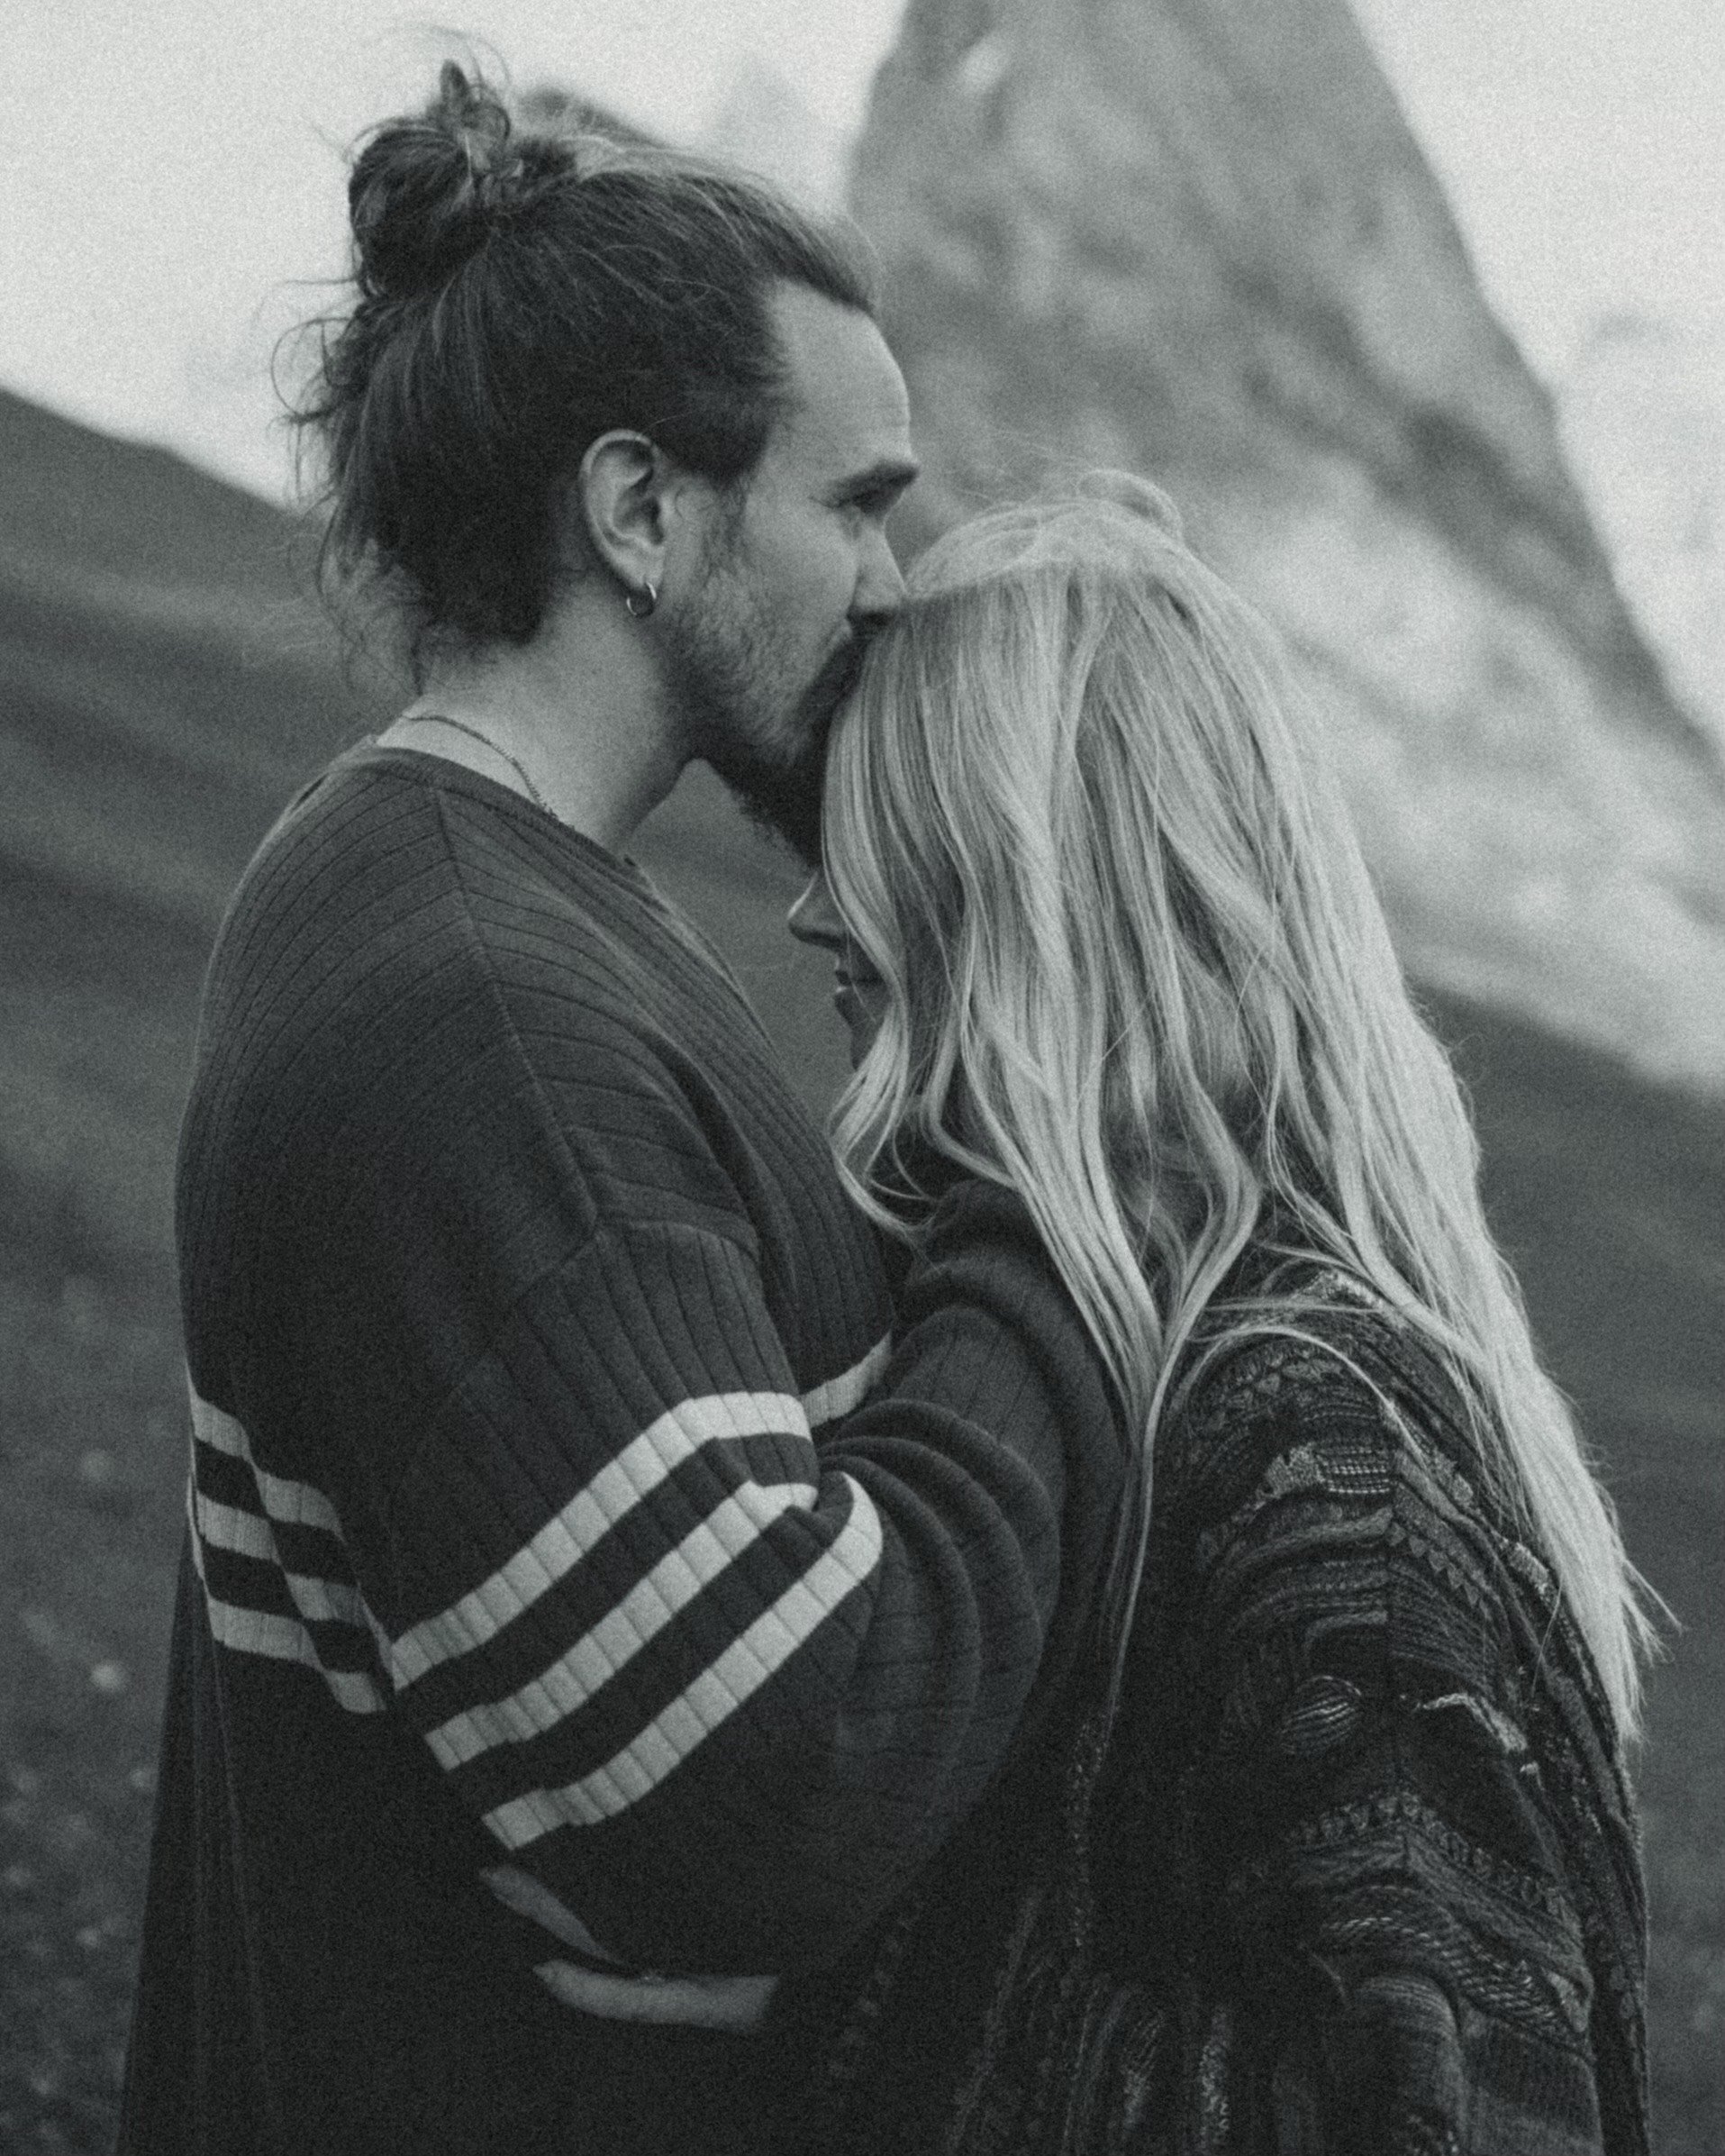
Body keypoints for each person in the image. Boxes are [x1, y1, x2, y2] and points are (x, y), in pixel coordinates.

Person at [116, 68, 1132, 2156]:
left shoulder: (467, 899)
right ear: (643, 514)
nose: (894, 581)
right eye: (853, 501)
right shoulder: (486, 1025)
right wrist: (1055, 1220)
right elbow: (777, 1785)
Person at [776, 478, 1654, 2153]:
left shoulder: (1315, 1449)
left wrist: (840, 1996)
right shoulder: (1191, 1366)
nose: (822, 910)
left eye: (883, 834)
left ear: (1031, 887)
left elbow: (1463, 2122)